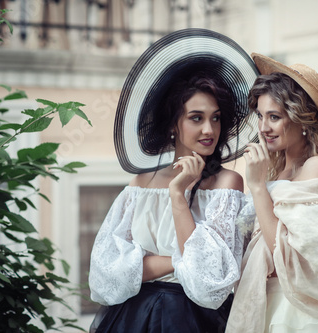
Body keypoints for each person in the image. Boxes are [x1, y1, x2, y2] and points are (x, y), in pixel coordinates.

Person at [88, 29, 258, 333]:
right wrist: (181, 261)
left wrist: (178, 195)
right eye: (196, 117)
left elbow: (209, 281)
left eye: (216, 117)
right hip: (132, 319)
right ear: (173, 125)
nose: (209, 129)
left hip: (192, 320)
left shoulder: (227, 184)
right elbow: (106, 273)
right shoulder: (141, 182)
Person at [226, 53, 318, 333]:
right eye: (260, 116)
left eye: (274, 117)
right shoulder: (276, 173)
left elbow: (287, 257)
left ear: (302, 120)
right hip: (262, 303)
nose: (263, 127)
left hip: (295, 312)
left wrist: (258, 186)